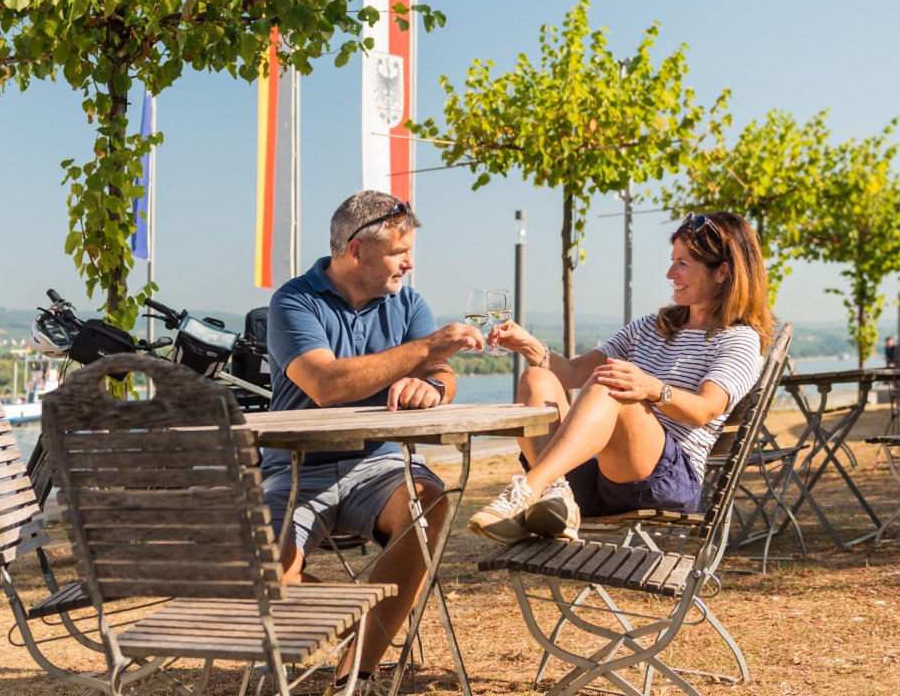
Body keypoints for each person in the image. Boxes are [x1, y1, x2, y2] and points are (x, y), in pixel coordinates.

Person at [265, 189, 485, 691]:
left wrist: (433, 387)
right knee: (267, 572)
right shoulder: (293, 301)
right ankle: (367, 625)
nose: (409, 264)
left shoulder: (408, 303)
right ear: (356, 250)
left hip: (380, 465)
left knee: (428, 502)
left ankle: (356, 678)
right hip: (296, 468)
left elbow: (442, 373)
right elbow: (326, 384)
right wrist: (427, 348)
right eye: (398, 252)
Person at [469, 211, 774, 545]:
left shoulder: (739, 340)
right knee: (535, 379)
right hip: (597, 474)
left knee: (612, 384)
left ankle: (529, 488)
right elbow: (573, 373)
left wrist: (652, 389)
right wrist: (529, 346)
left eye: (683, 264)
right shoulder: (649, 327)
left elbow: (705, 408)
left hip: (664, 480)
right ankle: (557, 494)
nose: (670, 274)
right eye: (672, 261)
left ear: (723, 272)